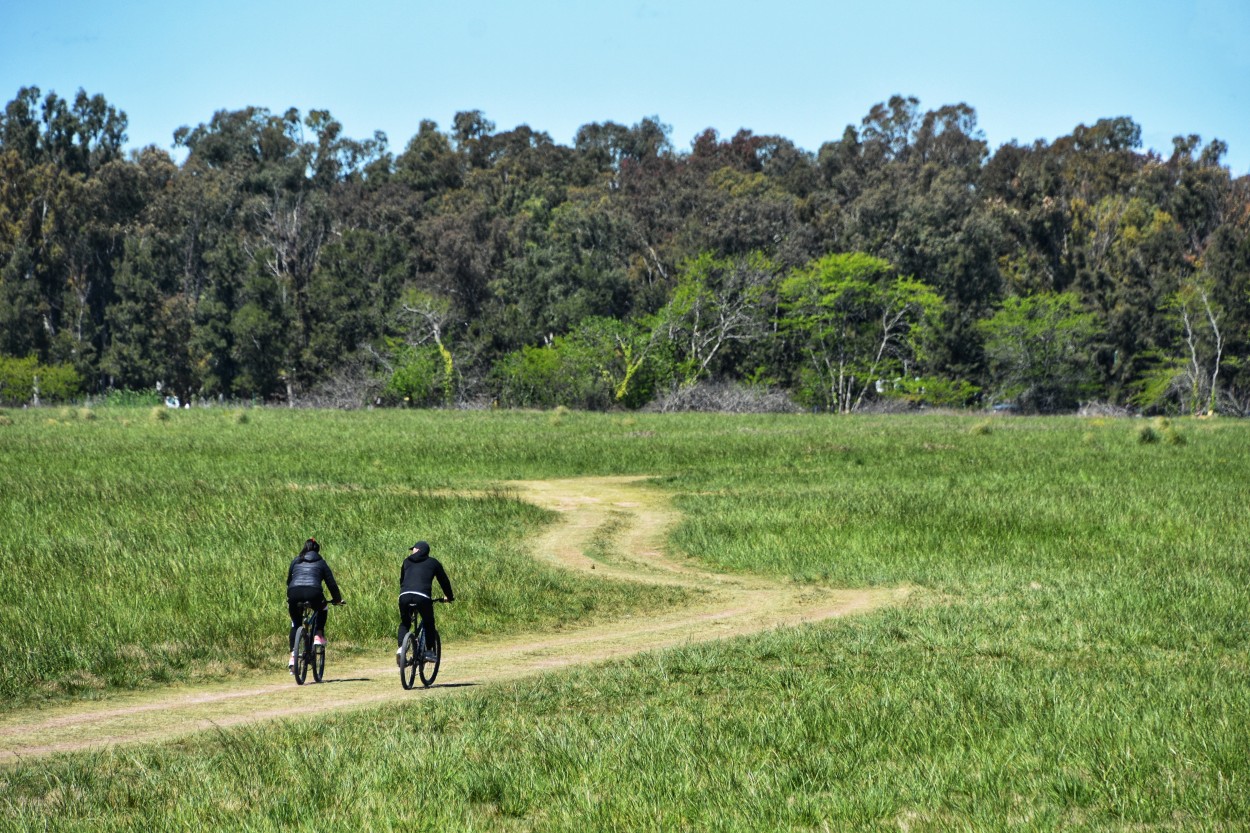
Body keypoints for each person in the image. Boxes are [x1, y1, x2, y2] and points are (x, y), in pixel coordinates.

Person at [286, 537, 344, 671]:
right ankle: (318, 634)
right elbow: (331, 584)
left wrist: (291, 596)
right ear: (317, 551)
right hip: (314, 593)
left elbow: (289, 581)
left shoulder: (296, 560)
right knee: (323, 607)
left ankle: (293, 657)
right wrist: (337, 599)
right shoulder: (321, 562)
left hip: (294, 593)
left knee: (296, 623)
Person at [397, 540, 454, 665]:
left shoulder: (406, 561)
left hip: (404, 595)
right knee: (429, 622)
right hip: (422, 596)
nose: (412, 551)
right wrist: (449, 596)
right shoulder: (433, 562)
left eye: (413, 549)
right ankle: (428, 651)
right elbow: (444, 581)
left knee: (405, 622)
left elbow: (402, 580)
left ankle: (401, 649)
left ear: (417, 550)